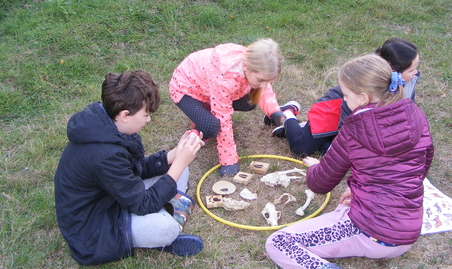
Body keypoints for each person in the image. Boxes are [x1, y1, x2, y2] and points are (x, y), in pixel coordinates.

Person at [265, 54, 434, 269]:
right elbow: (420, 168)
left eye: (345, 95)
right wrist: (358, 189)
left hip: (371, 232)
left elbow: (319, 184)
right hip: (408, 232)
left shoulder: (355, 127)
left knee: (280, 243)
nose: (344, 100)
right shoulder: (415, 114)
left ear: (363, 97)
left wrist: (315, 168)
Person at [54, 70, 205, 266]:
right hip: (95, 232)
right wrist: (178, 164)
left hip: (111, 199)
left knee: (180, 170)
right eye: (145, 114)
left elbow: (135, 169)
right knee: (165, 227)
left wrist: (174, 156)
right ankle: (161, 231)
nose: (148, 119)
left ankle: (163, 214)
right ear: (125, 115)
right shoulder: (104, 156)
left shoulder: (109, 127)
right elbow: (142, 204)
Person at [269, 38, 420, 157]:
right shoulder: (360, 91)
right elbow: (352, 126)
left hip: (355, 125)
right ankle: (288, 113)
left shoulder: (410, 80)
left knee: (343, 153)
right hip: (335, 109)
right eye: (412, 69)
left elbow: (406, 112)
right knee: (300, 148)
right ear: (393, 71)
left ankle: (310, 132)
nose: (416, 72)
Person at [169, 38, 293, 176]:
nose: (264, 85)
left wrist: (274, 111)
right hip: (186, 90)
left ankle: (206, 110)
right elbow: (223, 119)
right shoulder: (224, 79)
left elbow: (263, 88)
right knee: (211, 128)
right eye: (261, 80)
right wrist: (229, 161)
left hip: (209, 90)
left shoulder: (252, 62)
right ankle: (201, 123)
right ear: (245, 67)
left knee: (251, 100)